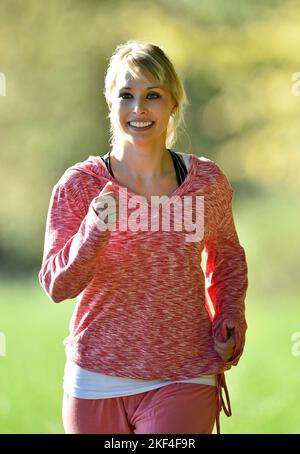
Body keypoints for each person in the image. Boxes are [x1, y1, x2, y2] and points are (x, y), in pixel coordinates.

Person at [38, 40, 248, 434]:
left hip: (185, 372)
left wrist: (230, 318)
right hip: (96, 376)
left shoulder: (206, 183)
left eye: (153, 95)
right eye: (126, 95)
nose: (139, 109)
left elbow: (228, 258)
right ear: (109, 103)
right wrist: (93, 230)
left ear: (173, 103)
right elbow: (56, 285)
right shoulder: (80, 186)